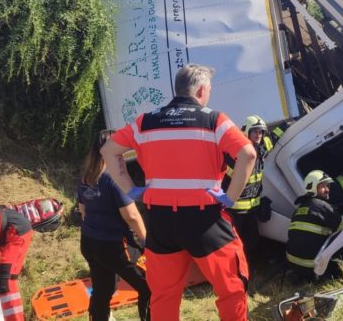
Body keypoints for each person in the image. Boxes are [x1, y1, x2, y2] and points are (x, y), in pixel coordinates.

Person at [100, 64, 257, 321]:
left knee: (163, 295)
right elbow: (248, 153)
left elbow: (108, 150)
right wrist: (230, 198)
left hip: (160, 222)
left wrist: (131, 190)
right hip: (204, 220)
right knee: (231, 287)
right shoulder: (213, 120)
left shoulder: (146, 121)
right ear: (202, 90)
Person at [78, 129, 150, 321]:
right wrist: (146, 242)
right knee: (148, 286)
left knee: (103, 289)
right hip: (112, 245)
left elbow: (82, 209)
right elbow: (132, 215)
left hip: (89, 242)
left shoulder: (87, 175)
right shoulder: (113, 177)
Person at [221, 115, 273, 266]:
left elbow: (273, 138)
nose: (259, 135)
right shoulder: (236, 156)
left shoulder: (262, 148)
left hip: (251, 209)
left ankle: (250, 269)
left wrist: (285, 127)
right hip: (235, 211)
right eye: (255, 132)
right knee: (234, 244)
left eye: (261, 132)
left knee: (252, 242)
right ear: (246, 133)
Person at [286, 170, 343, 281]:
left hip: (293, 264)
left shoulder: (300, 207)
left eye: (328, 186)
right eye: (322, 186)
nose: (327, 190)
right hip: (313, 267)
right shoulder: (322, 206)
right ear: (313, 188)